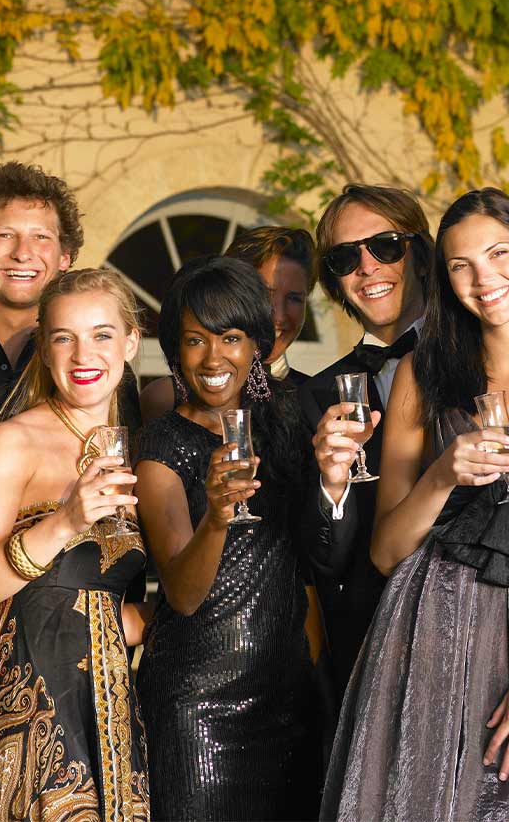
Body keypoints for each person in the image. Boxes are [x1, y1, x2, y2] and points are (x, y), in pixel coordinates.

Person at [321, 187, 509, 821]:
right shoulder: (420, 376)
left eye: (498, 253)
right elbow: (385, 552)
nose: (484, 278)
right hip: (428, 627)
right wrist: (441, 477)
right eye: (462, 264)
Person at [133, 255, 318, 820]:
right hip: (196, 707)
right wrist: (216, 514)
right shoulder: (161, 446)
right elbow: (184, 595)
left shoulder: (287, 425)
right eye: (194, 340)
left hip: (286, 696)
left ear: (257, 345)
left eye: (231, 337)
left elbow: (311, 559)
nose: (214, 358)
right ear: (174, 350)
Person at [0, 268, 151, 820]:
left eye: (101, 334)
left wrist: (131, 620)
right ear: (44, 350)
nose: (82, 354)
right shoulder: (14, 440)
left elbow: (133, 597)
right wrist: (64, 522)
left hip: (113, 710)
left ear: (131, 342)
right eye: (64, 337)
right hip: (26, 713)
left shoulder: (145, 446)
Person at [298, 184, 431, 697]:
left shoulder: (485, 362)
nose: (367, 266)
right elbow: (326, 563)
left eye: (386, 246)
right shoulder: (317, 397)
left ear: (419, 254)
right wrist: (333, 487)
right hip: (375, 651)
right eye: (345, 257)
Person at [0, 162, 140, 429]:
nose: (22, 253)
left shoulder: (99, 366)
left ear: (64, 256)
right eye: (4, 234)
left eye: (41, 237)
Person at [140, 224, 318, 422]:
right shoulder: (168, 399)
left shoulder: (316, 398)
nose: (279, 315)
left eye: (295, 298)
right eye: (265, 294)